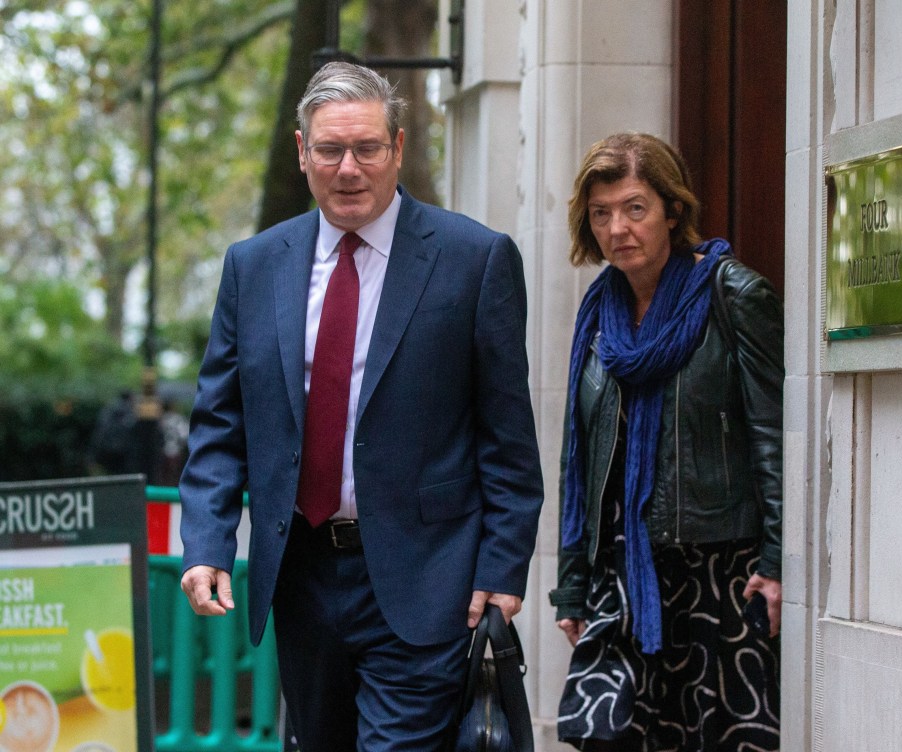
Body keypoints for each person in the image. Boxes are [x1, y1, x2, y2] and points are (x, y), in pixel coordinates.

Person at [178, 61, 543, 752]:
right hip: (303, 577)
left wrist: (502, 567)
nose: (349, 169)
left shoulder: (474, 260)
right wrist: (206, 541)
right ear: (301, 151)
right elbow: (220, 425)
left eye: (367, 149)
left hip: (426, 577)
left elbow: (507, 435)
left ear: (397, 149)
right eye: (330, 150)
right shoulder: (253, 267)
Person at [549, 132, 782, 751]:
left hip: (719, 571)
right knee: (604, 734)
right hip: (623, 573)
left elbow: (773, 438)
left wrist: (778, 563)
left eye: (634, 208)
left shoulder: (734, 297)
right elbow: (581, 453)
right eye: (601, 214)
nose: (617, 228)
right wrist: (572, 582)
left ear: (672, 211)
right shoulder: (599, 315)